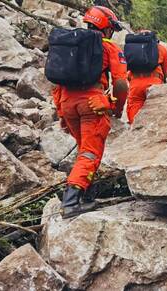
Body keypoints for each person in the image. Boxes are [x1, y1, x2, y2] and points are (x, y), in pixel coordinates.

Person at [52, 6, 129, 218]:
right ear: (107, 28)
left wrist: (61, 113)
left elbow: (57, 83)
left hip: (67, 102)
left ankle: (87, 196)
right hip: (92, 103)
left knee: (84, 151)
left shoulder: (71, 43)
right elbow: (121, 83)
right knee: (90, 152)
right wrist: (117, 108)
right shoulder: (109, 47)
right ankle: (70, 203)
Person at [126, 30, 167, 124]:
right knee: (155, 113)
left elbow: (128, 69)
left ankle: (134, 131)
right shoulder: (161, 49)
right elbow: (165, 69)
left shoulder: (133, 49)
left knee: (134, 114)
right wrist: (163, 81)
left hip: (135, 84)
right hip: (154, 83)